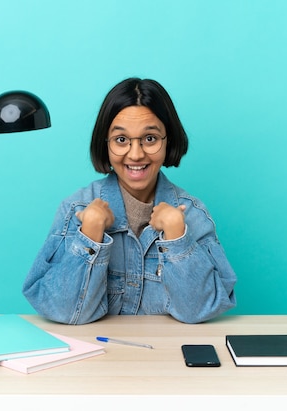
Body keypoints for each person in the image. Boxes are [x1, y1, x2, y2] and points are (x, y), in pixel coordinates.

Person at [22, 78, 236, 324]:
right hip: (98, 355)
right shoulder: (76, 209)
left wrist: (177, 236)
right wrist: (90, 234)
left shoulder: (193, 215)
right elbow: (62, 311)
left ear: (169, 141)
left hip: (166, 356)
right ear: (106, 144)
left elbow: (199, 310)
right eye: (121, 140)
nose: (136, 155)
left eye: (150, 139)